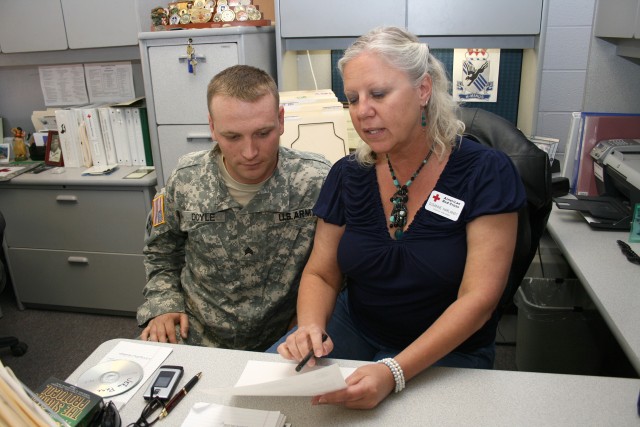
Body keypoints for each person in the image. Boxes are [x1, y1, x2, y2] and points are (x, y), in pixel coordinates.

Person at [270, 26, 527, 409]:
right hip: (354, 329)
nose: (362, 111)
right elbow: (321, 273)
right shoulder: (346, 174)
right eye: (352, 99)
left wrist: (394, 371)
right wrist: (309, 326)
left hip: (448, 350)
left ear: (423, 90)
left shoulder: (485, 172)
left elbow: (479, 300)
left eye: (378, 94)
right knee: (269, 403)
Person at [137, 65, 331, 351]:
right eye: (233, 137)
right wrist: (164, 305)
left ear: (280, 121)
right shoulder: (186, 179)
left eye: (263, 133)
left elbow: (340, 268)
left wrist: (311, 321)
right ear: (212, 127)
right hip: (198, 332)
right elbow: (161, 251)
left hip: (287, 337)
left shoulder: (316, 181)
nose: (250, 152)